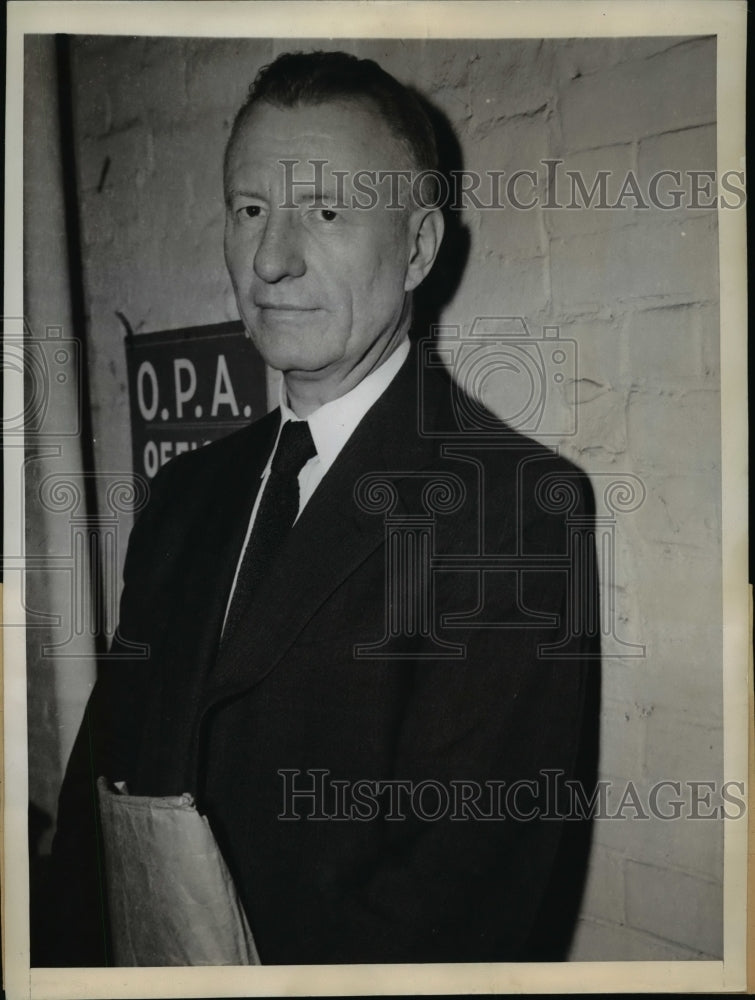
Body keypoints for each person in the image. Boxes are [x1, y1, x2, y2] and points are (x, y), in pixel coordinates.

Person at [51, 50, 599, 967]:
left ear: (418, 248)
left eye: (328, 212)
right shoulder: (186, 496)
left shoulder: (513, 512)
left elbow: (457, 921)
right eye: (250, 210)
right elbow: (90, 822)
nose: (271, 258)